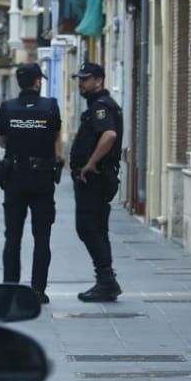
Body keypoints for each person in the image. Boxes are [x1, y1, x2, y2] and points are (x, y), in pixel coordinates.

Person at [0, 62, 62, 303]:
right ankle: (38, 290)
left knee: (12, 236)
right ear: (37, 82)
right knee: (41, 237)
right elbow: (55, 138)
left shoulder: (7, 108)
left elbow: (2, 141)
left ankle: (11, 288)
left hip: (14, 177)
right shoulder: (50, 107)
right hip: (42, 179)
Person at [70, 62, 123, 302]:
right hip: (99, 177)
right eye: (80, 78)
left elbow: (109, 135)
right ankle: (106, 280)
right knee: (97, 228)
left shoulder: (101, 106)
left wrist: (91, 163)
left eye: (86, 78)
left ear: (99, 80)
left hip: (95, 177)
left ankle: (106, 280)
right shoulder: (98, 105)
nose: (81, 83)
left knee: (87, 227)